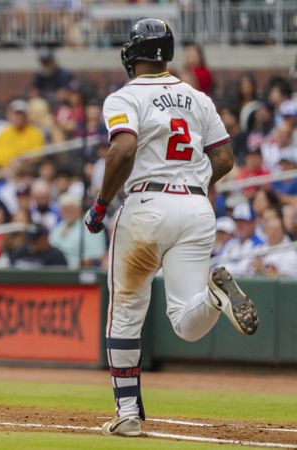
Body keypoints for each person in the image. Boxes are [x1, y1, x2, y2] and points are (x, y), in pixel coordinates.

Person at [83, 19, 258, 438]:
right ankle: (216, 296)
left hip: (146, 204)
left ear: (133, 55)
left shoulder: (125, 96)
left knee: (125, 314)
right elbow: (225, 159)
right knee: (186, 321)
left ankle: (127, 413)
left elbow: (123, 147)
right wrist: (195, 184)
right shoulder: (197, 98)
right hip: (195, 206)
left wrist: (101, 203)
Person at [0, 99, 45, 168]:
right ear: (9, 115)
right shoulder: (1, 128)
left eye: (22, 114)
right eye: (16, 114)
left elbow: (35, 158)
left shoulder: (35, 133)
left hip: (17, 170)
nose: (19, 117)